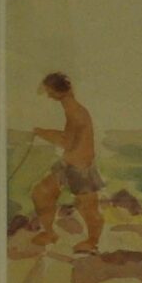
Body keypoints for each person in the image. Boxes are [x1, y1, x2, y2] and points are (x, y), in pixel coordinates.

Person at [27, 72, 103, 253]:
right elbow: (69, 139)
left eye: (50, 91)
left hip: (81, 167)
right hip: (68, 163)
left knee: (88, 208)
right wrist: (42, 132)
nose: (48, 95)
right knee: (41, 193)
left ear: (59, 91)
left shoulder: (75, 111)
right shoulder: (70, 108)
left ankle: (92, 242)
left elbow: (66, 141)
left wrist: (41, 132)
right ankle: (49, 233)